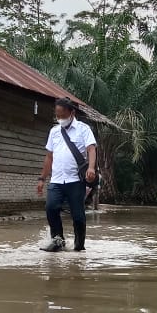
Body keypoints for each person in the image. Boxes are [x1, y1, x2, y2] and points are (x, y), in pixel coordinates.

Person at [36, 97, 98, 252]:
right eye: (57, 115)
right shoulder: (54, 131)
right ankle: (58, 239)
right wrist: (42, 178)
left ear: (72, 112)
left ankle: (79, 246)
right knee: (51, 208)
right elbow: (49, 156)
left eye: (62, 114)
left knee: (78, 216)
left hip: (76, 181)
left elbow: (91, 149)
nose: (60, 118)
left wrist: (91, 168)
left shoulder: (83, 129)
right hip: (56, 181)